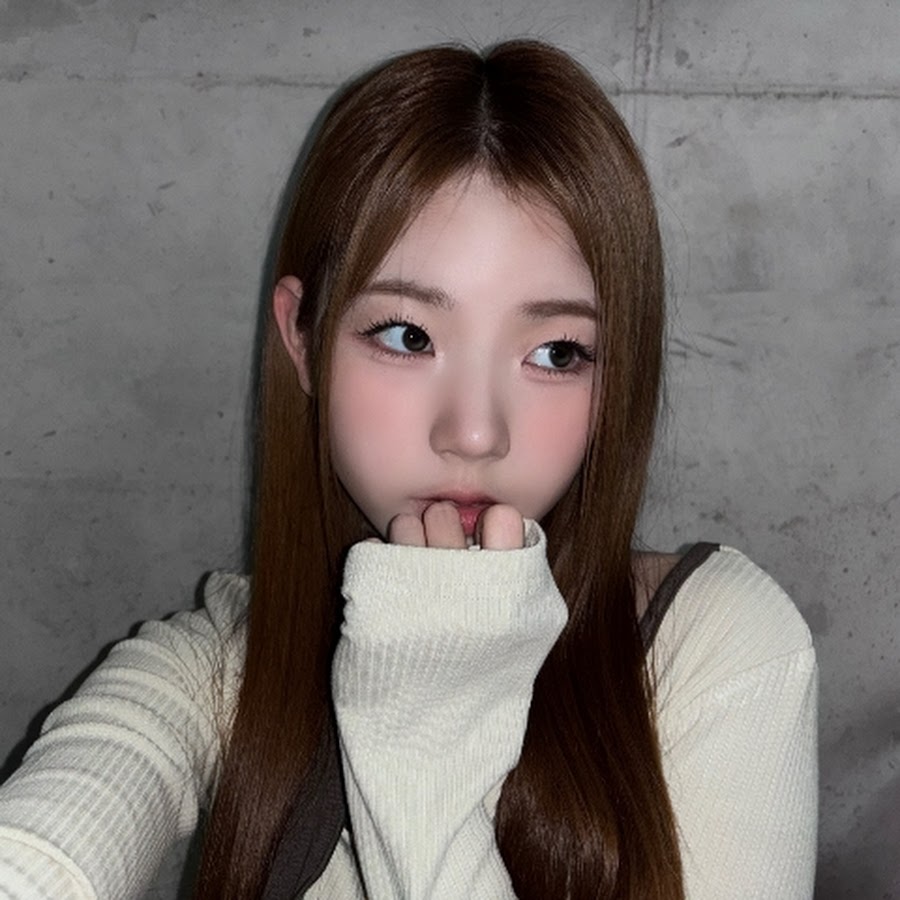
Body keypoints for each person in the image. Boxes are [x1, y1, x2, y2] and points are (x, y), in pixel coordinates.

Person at [0, 39, 817, 900]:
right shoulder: (222, 673)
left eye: (557, 351)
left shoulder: (712, 650)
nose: (475, 433)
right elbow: (51, 841)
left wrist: (420, 752)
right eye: (407, 335)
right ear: (303, 339)